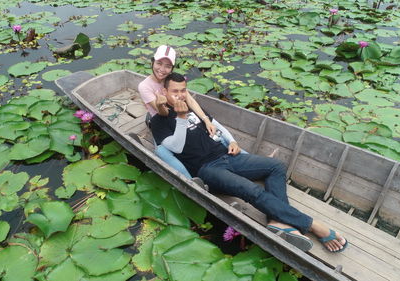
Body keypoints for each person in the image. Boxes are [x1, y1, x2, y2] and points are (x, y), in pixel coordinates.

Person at [149, 72, 348, 253]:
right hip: (208, 168)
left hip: (229, 156)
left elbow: (218, 127)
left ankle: (278, 220)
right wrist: (182, 118)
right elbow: (175, 147)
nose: (180, 95)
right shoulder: (159, 121)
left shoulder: (194, 109)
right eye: (175, 91)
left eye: (183, 90)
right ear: (164, 92)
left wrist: (233, 141)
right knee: (251, 190)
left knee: (276, 166)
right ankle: (313, 225)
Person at [138, 45, 216, 178]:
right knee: (161, 151)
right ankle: (191, 181)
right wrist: (160, 104)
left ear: (172, 68)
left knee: (213, 130)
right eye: (159, 63)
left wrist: (205, 119)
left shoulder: (172, 80)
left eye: (167, 66)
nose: (162, 70)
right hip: (163, 123)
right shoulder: (144, 86)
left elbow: (190, 101)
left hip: (183, 116)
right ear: (152, 62)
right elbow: (164, 114)